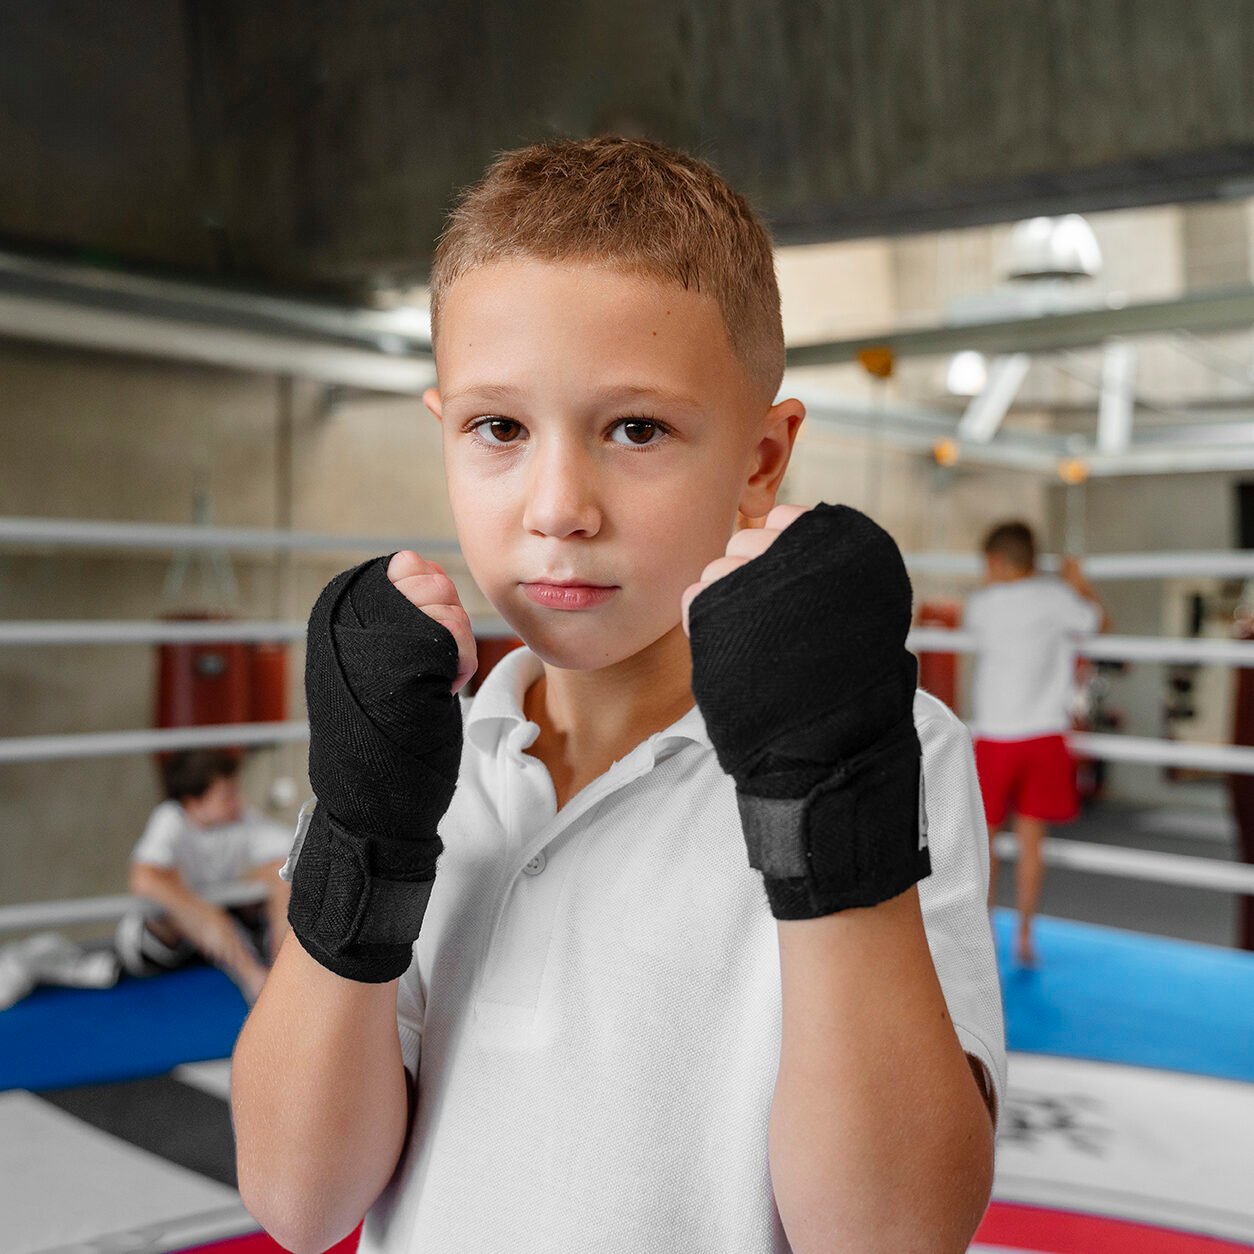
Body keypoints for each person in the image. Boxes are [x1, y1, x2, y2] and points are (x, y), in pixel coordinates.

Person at [231, 137, 1005, 1254]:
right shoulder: (416, 752)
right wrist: (365, 823)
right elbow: (299, 1204)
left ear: (760, 457)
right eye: (499, 427)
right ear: (441, 430)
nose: (559, 508)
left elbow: (892, 1236)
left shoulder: (897, 748)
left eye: (636, 428)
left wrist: (823, 803)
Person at [964, 520, 1108, 967]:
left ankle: (981, 936)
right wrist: (1078, 582)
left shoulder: (982, 605)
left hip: (996, 739)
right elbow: (1099, 623)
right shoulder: (1058, 599)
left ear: (996, 561)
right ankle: (1025, 936)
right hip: (1045, 737)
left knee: (981, 844)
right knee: (1032, 843)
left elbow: (980, 629)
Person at [115, 749, 292, 1004]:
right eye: (227, 794)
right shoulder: (172, 819)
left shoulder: (240, 822)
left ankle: (282, 970)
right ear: (194, 802)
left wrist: (254, 879)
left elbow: (293, 853)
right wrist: (197, 905)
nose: (238, 801)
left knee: (279, 871)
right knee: (165, 882)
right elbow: (143, 879)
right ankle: (254, 979)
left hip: (220, 933)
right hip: (161, 943)